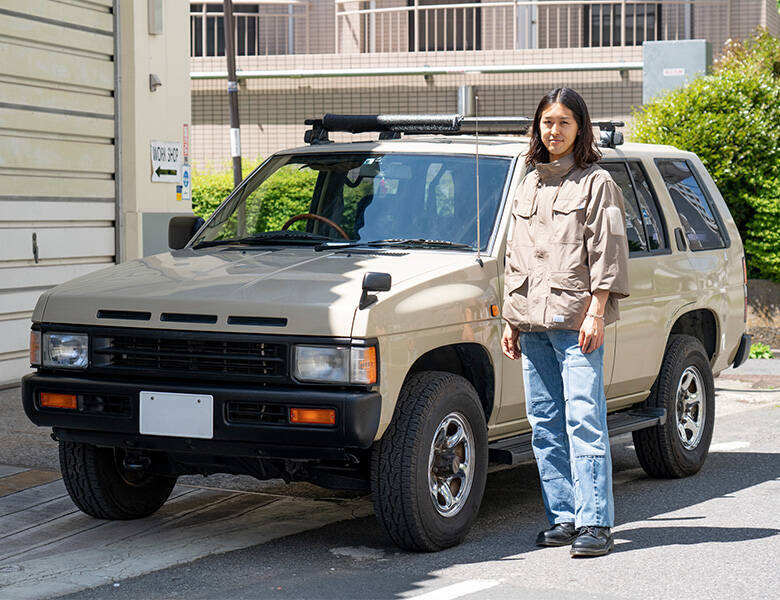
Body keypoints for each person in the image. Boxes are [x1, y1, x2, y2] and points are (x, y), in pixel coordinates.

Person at [501, 88, 629, 557]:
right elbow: (514, 257)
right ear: (537, 127)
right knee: (544, 422)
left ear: (580, 128)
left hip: (576, 321)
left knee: (584, 419)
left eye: (564, 123)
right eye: (547, 122)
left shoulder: (597, 182)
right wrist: (511, 319)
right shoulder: (528, 182)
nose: (554, 131)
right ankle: (564, 517)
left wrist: (596, 312)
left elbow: (609, 253)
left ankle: (596, 523)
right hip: (531, 322)